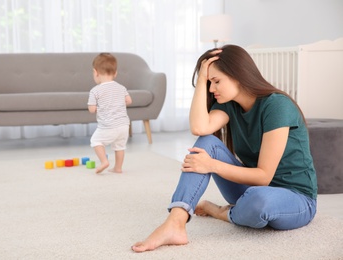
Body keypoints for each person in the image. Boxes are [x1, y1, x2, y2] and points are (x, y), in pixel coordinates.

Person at [131, 45, 317, 252]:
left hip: (295, 198)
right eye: (209, 82)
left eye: (216, 81)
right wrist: (201, 79)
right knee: (206, 142)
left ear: (238, 75)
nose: (212, 89)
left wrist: (212, 166)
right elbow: (199, 128)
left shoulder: (277, 106)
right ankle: (175, 222)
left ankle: (221, 212)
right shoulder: (229, 105)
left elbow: (264, 176)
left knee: (259, 202)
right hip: (251, 190)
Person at [88, 53, 132, 174]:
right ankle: (118, 168)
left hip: (108, 125)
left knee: (95, 141)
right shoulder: (121, 87)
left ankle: (104, 161)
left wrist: (98, 107)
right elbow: (129, 101)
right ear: (115, 73)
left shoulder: (95, 90)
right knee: (119, 147)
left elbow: (91, 109)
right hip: (124, 124)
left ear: (95, 72)